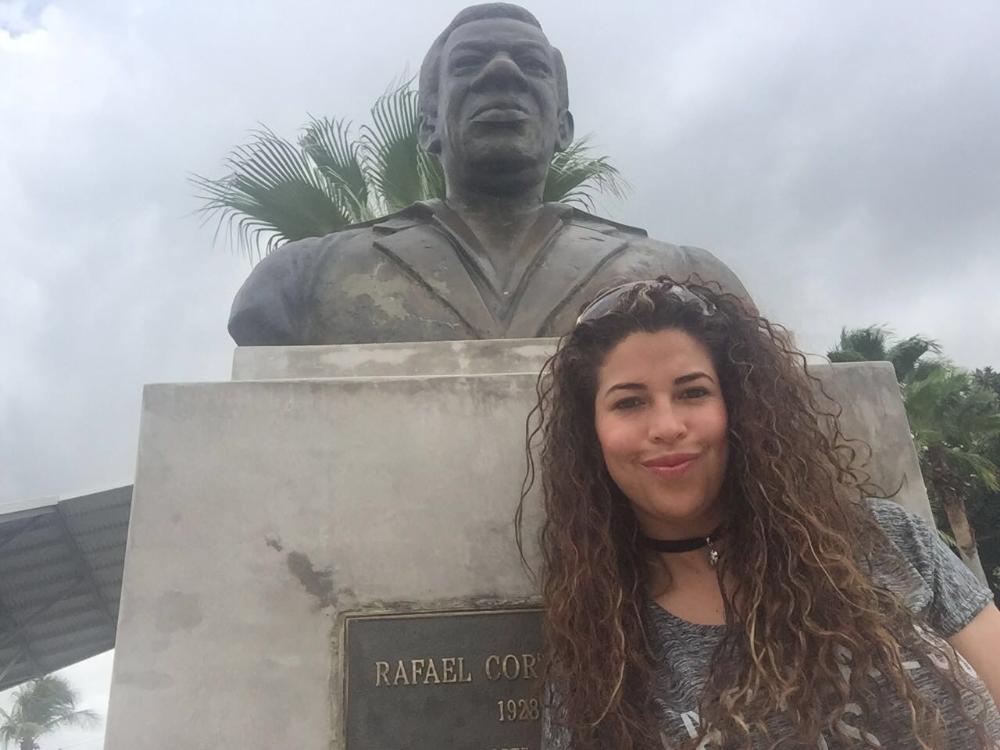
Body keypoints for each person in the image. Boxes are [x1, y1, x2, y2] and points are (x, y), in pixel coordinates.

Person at [521, 277, 1000, 749]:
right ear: (591, 434)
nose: (667, 426)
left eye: (693, 392)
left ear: (738, 406)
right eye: (629, 402)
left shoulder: (889, 539)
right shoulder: (595, 651)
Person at [228, 3, 749, 346]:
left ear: (562, 127)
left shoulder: (691, 277)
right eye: (468, 63)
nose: (502, 72)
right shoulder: (300, 282)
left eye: (533, 64)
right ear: (429, 127)